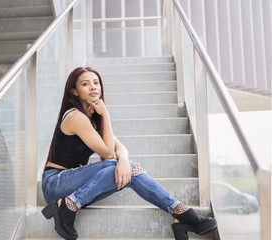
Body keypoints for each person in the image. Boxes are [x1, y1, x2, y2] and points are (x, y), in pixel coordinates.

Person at [41, 67, 217, 240]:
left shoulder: (92, 121)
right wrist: (106, 115)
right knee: (117, 166)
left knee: (128, 171)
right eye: (85, 84)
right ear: (74, 91)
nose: (93, 87)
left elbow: (120, 149)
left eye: (96, 83)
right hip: (56, 183)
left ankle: (180, 214)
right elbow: (109, 154)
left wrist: (124, 160)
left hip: (72, 189)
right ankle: (184, 214)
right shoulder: (75, 116)